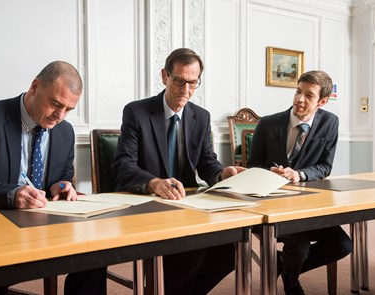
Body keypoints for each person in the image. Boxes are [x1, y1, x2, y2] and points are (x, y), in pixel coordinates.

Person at [0, 61, 106, 295]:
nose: (60, 116)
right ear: (35, 86)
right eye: (55, 104)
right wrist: (11, 195)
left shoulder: (65, 132)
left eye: (69, 109)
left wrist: (62, 186)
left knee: (96, 255)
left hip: (45, 228)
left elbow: (60, 180)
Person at [111, 48, 245, 295]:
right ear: (164, 76)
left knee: (232, 248)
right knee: (192, 250)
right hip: (146, 204)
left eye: (193, 83)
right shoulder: (137, 112)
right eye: (179, 81)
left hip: (187, 205)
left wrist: (221, 173)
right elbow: (123, 166)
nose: (185, 90)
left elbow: (207, 162)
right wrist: (152, 182)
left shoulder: (201, 117)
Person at [248, 70, 352, 295]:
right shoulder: (268, 123)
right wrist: (269, 172)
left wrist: (300, 174)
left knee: (344, 245)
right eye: (298, 91)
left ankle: (286, 269)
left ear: (323, 101)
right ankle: (292, 284)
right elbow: (252, 165)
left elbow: (325, 166)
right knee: (300, 247)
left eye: (309, 95)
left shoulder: (330, 123)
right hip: (272, 207)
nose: (300, 99)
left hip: (309, 206)